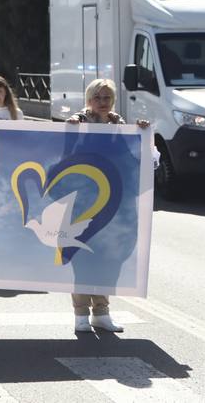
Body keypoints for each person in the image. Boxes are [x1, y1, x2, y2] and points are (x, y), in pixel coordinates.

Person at [64, 78, 150, 333]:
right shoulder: (79, 121)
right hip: (84, 203)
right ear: (89, 99)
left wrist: (141, 131)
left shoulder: (118, 123)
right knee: (81, 257)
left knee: (109, 257)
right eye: (97, 97)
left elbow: (131, 155)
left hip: (116, 203)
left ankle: (101, 311)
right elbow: (65, 152)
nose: (102, 102)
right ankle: (80, 313)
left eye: (107, 98)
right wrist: (71, 129)